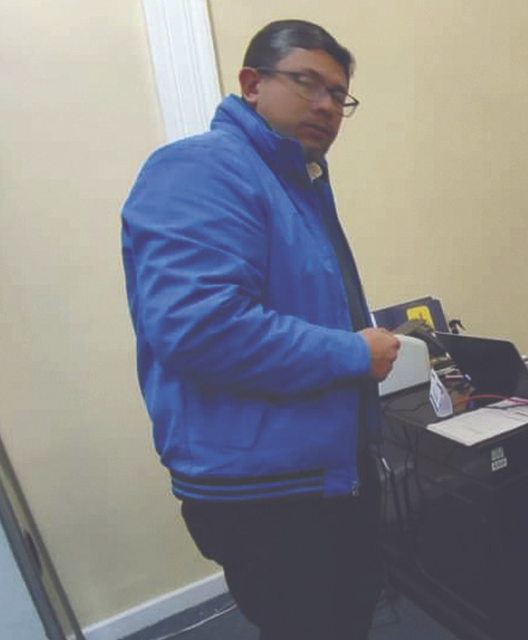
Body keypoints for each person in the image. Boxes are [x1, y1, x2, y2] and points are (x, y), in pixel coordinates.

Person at [121, 20, 398, 640]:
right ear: (251, 83)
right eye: (307, 83)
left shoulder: (294, 184)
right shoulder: (201, 169)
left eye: (339, 96)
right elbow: (200, 327)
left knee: (347, 616)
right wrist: (353, 352)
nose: (326, 106)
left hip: (320, 472)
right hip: (267, 494)